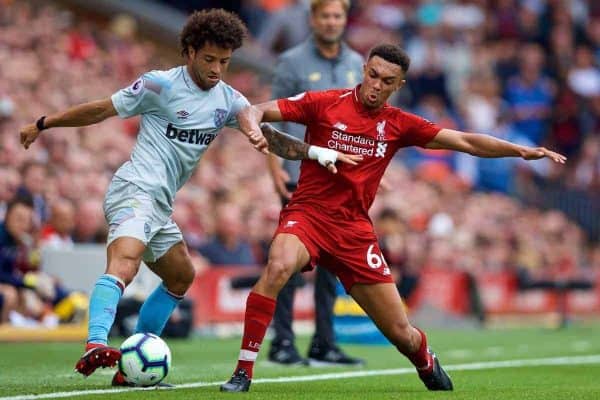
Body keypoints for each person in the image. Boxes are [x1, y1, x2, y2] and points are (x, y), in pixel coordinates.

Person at [18, 9, 359, 386]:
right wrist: (43, 123)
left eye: (225, 62)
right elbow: (101, 109)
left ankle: (131, 368)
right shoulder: (159, 85)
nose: (217, 69)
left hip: (160, 204)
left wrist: (317, 153)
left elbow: (272, 136)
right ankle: (95, 342)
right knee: (126, 264)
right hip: (134, 188)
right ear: (190, 52)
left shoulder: (228, 100)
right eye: (210, 59)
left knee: (181, 276)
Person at [220, 43, 566, 392]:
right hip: (307, 216)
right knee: (278, 266)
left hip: (354, 233)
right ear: (364, 70)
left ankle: (426, 361)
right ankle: (243, 372)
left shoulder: (398, 124)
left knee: (402, 334)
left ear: (398, 86)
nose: (376, 85)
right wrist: (252, 130)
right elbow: (257, 110)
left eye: (387, 81)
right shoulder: (324, 102)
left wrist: (519, 150)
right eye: (372, 75)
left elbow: (465, 141)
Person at [266, 0, 364, 366]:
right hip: (301, 176)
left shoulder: (357, 63)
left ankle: (324, 341)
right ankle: (282, 341)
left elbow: (364, 124)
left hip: (344, 181)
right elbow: (270, 117)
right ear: (313, 19)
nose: (331, 21)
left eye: (337, 15)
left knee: (334, 264)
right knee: (288, 261)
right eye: (325, 15)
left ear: (345, 19)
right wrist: (273, 166)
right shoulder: (291, 61)